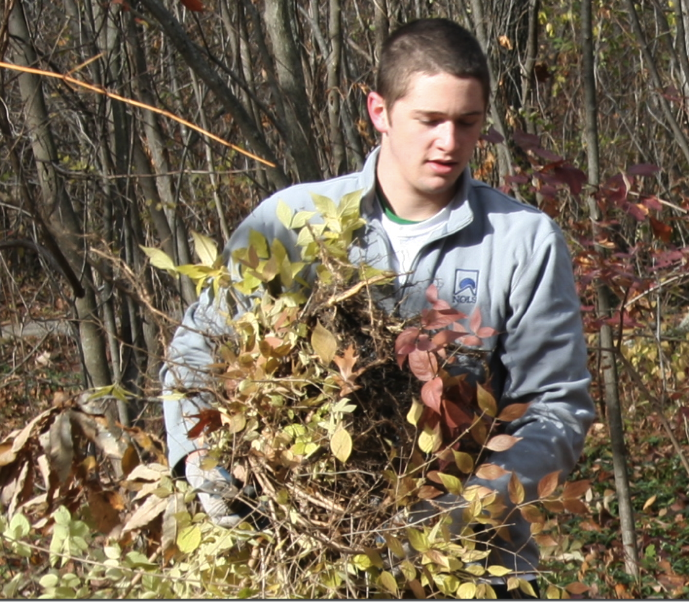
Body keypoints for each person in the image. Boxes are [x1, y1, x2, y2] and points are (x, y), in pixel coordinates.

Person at [160, 17, 595, 598]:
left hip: (470, 570)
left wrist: (461, 513)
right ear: (379, 111)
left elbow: (556, 407)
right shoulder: (291, 222)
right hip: (307, 565)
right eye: (430, 120)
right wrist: (203, 461)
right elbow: (197, 352)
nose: (449, 141)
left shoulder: (522, 241)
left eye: (467, 123)